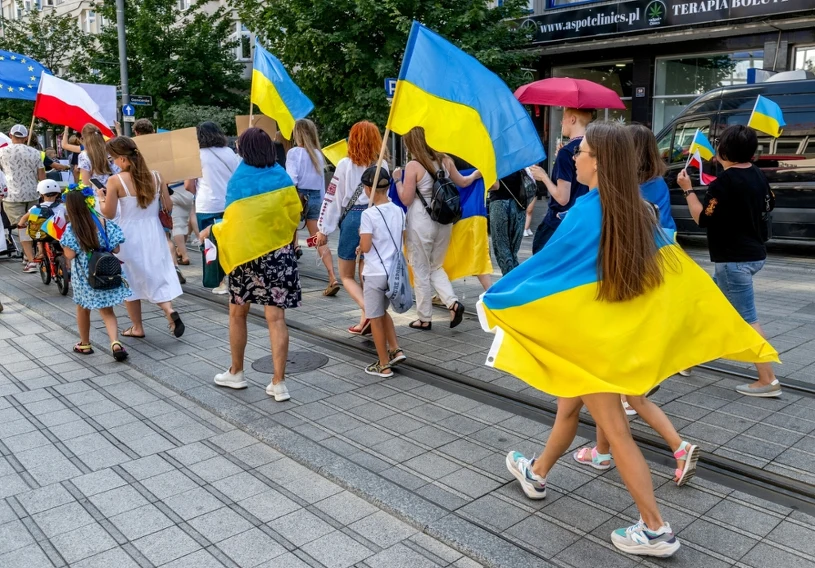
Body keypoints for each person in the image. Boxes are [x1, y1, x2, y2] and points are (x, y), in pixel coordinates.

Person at [504, 122, 682, 558]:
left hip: (588, 341)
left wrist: (497, 298)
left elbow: (543, 271)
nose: (574, 156)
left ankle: (656, 529)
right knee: (569, 407)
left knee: (617, 432)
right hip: (613, 335)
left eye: (581, 150)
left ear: (600, 162)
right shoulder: (639, 209)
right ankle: (538, 471)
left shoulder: (586, 211)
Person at [678, 124, 780, 397]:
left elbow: (702, 219)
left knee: (747, 319)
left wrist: (688, 190)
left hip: (733, 261)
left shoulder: (722, 185)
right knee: (707, 307)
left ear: (722, 150)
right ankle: (687, 360)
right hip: (754, 254)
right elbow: (770, 203)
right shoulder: (758, 175)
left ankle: (768, 380)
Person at [205, 128, 301, 402]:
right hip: (278, 256)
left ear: (244, 150)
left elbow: (233, 221)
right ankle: (279, 383)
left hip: (245, 257)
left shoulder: (239, 179)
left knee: (237, 314)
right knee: (277, 319)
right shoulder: (282, 176)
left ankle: (236, 373)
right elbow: (293, 215)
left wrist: (213, 232)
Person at [393, 127, 480, 330]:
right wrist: (477, 174)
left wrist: (398, 179)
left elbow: (406, 199)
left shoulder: (414, 166)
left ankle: (424, 318)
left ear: (411, 143)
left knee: (421, 270)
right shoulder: (445, 160)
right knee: (436, 266)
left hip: (421, 223)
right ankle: (452, 302)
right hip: (444, 222)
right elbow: (464, 182)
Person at [100, 136, 184, 339]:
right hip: (153, 230)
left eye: (112, 158)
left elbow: (109, 213)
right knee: (155, 272)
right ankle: (168, 309)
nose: (112, 162)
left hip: (128, 234)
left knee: (131, 279)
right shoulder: (156, 176)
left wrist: (101, 198)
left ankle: (137, 327)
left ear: (122, 159)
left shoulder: (115, 180)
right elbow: (168, 205)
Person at [315, 120, 387, 335]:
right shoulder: (381, 165)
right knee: (366, 271)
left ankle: (369, 311)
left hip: (353, 217)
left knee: (346, 276)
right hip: (375, 217)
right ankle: (366, 318)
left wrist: (323, 229)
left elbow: (334, 199)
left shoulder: (345, 165)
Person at [59, 188, 130, 361]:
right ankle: (115, 343)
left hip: (85, 276)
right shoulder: (103, 222)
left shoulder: (72, 228)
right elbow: (116, 248)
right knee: (107, 311)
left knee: (83, 309)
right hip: (105, 273)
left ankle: (84, 344)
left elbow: (70, 255)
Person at [358, 166, 406, 377]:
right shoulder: (399, 210)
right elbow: (401, 238)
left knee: (375, 317)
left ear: (369, 189)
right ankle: (395, 349)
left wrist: (361, 242)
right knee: (382, 312)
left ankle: (384, 364)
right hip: (394, 272)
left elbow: (366, 247)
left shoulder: (368, 214)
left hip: (375, 272)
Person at [287, 118, 339, 295]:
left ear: (297, 133)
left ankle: (289, 276)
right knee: (317, 238)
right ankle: (332, 276)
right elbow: (321, 184)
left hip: (298, 196)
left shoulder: (294, 153)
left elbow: (291, 180)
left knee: (288, 235)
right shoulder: (317, 153)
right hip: (316, 197)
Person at [529, 108, 592, 253]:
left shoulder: (567, 153)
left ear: (572, 119)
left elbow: (562, 198)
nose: (561, 122)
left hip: (558, 224)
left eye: (563, 118)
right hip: (581, 221)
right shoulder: (593, 150)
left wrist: (543, 176)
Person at [193, 121, 240, 295]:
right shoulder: (229, 152)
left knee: (210, 243)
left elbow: (189, 184)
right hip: (228, 204)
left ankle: (219, 281)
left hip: (206, 205)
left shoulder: (197, 155)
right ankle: (232, 275)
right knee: (228, 242)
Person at [0, 124, 46, 272]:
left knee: (22, 228)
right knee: (34, 224)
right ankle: (31, 254)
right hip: (32, 193)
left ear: (11, 135)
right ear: (26, 137)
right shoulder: (36, 153)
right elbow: (41, 177)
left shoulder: (2, 152)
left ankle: (30, 260)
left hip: (12, 195)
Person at [489, 169, 531, 275]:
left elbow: (495, 185)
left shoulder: (493, 158)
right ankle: (516, 280)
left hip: (499, 205)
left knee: (502, 250)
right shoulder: (518, 156)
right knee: (513, 251)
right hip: (519, 205)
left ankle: (510, 283)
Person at [78, 123, 120, 193]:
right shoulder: (112, 151)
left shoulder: (84, 156)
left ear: (84, 139)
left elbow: (86, 185)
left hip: (99, 196)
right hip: (117, 194)